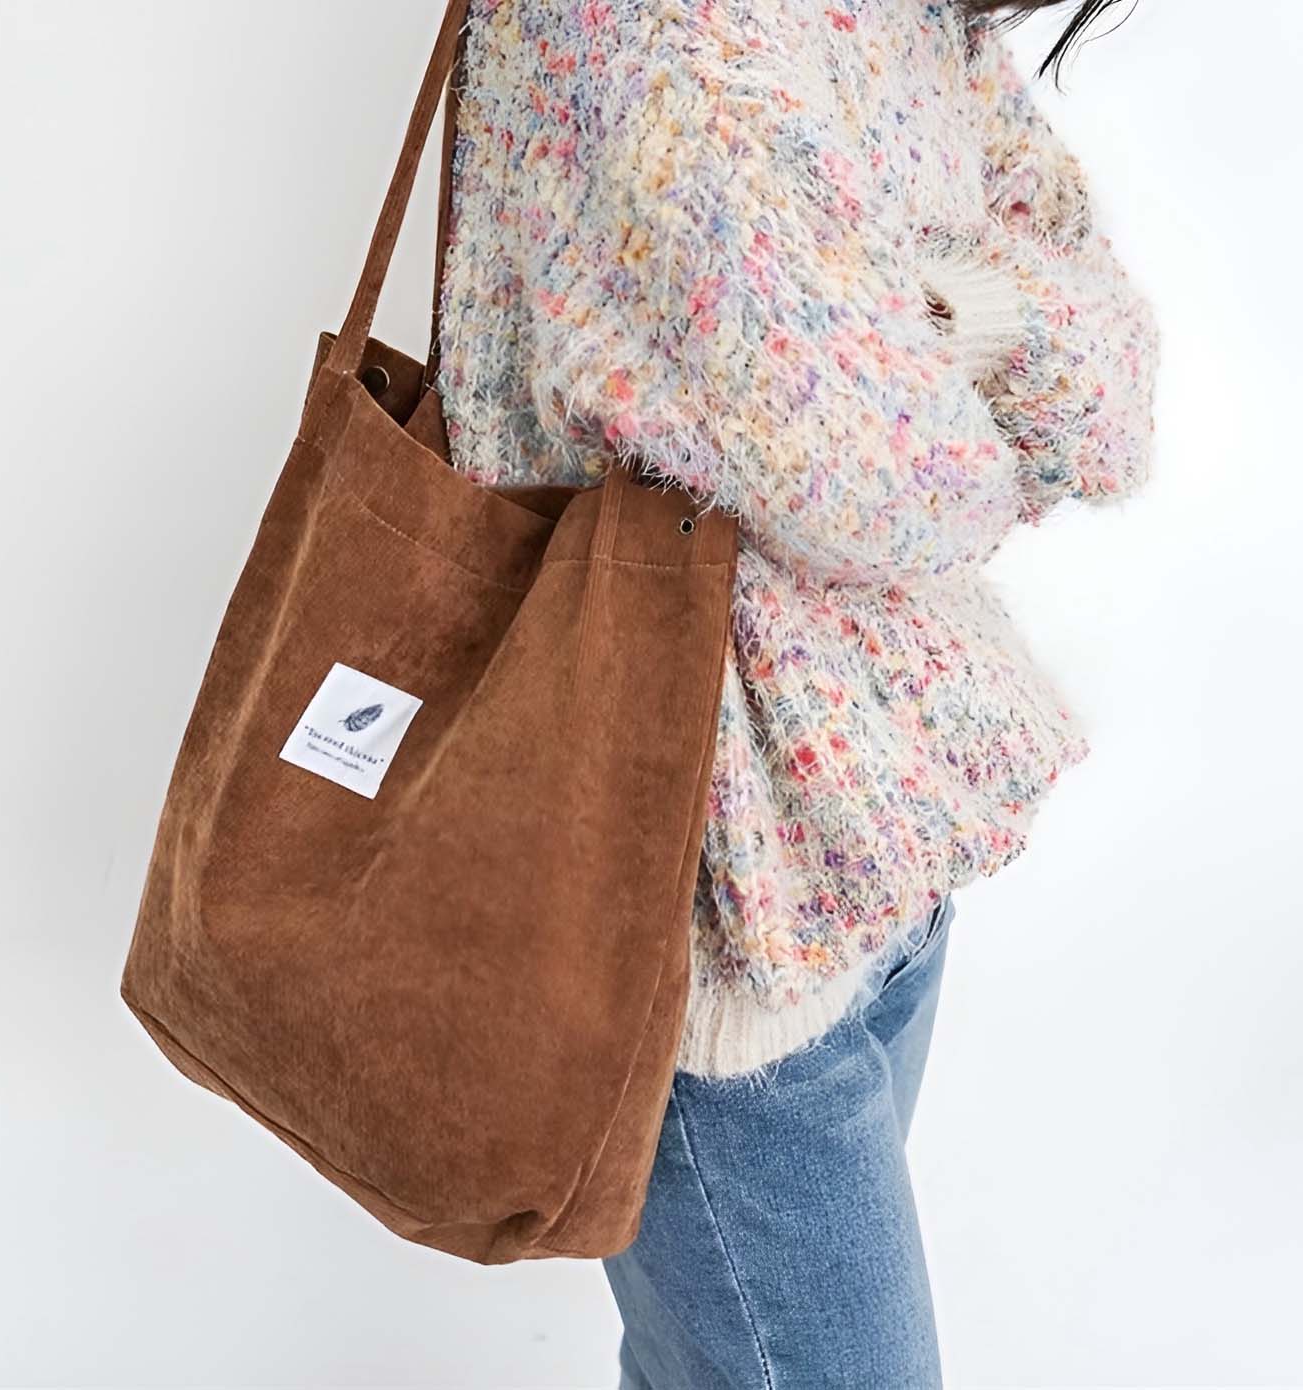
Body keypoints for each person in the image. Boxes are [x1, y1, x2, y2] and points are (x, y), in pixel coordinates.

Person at [432, 0, 1158, 1382]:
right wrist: (975, 347)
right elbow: (876, 476)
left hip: (875, 863)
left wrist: (949, 322)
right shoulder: (651, 32)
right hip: (704, 923)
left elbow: (1113, 375)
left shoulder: (893, 15)